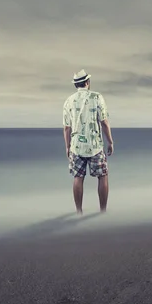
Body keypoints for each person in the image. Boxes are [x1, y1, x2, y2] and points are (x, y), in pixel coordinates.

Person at [62, 69, 114, 214]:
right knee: (102, 176)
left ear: (76, 85)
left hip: (76, 146)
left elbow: (66, 128)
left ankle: (79, 211)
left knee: (78, 177)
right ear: (87, 82)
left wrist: (67, 147)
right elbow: (104, 122)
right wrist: (110, 141)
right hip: (95, 145)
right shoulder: (97, 97)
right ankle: (103, 211)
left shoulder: (68, 101)